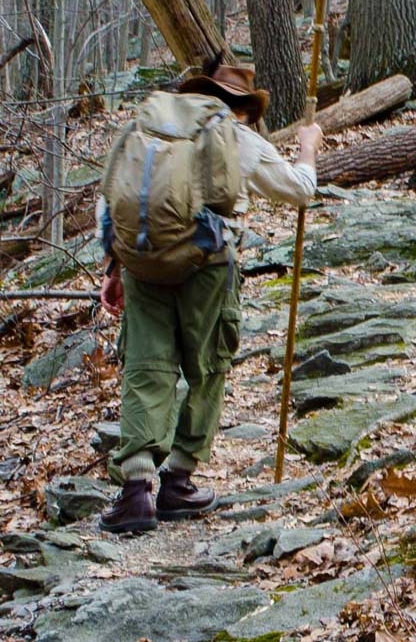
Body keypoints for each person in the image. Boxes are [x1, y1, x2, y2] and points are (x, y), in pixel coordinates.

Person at [98, 64, 323, 534]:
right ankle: (178, 480)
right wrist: (307, 150)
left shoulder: (147, 125)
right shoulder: (231, 134)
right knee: (207, 367)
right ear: (241, 108)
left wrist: (114, 268)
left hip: (141, 264)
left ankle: (136, 491)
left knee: (145, 368)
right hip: (207, 266)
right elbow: (300, 191)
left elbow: (110, 199)